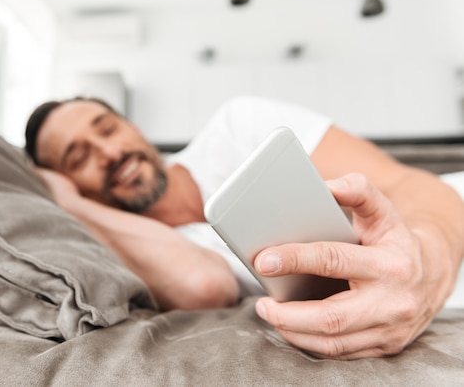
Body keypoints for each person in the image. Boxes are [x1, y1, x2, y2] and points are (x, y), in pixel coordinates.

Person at [24, 95, 464, 360]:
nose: (108, 152)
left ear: (134, 127)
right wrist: (68, 204)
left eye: (108, 128)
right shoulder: (137, 248)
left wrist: (423, 268)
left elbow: (412, 186)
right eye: (77, 158)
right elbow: (203, 284)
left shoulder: (240, 125)